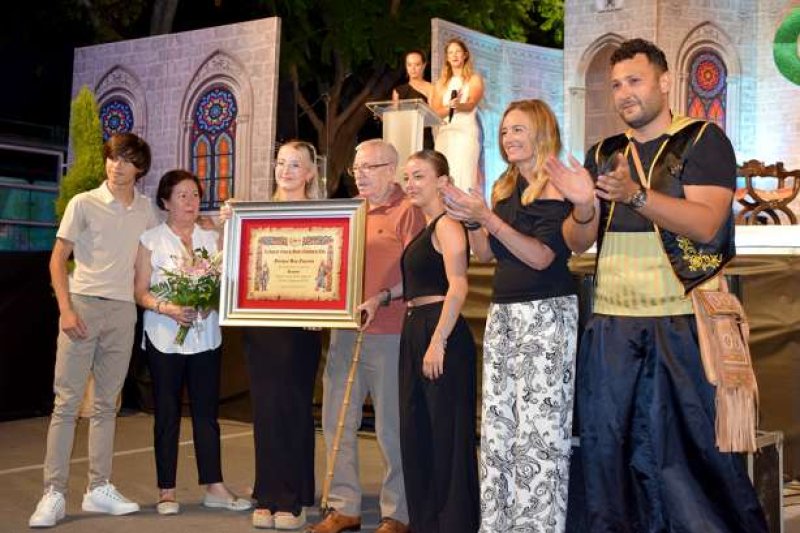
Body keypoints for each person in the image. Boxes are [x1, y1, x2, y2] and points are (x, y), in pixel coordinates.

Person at [544, 38, 768, 532]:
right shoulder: (603, 152)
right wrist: (583, 206)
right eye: (617, 83)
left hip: (681, 325)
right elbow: (577, 241)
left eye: (635, 81)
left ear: (665, 82)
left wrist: (637, 196)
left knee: (691, 463)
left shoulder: (703, 139)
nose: (624, 93)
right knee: (610, 456)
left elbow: (707, 224)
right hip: (611, 330)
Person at [443, 100, 578, 533]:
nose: (509, 139)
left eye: (518, 129)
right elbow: (485, 255)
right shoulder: (504, 188)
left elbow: (541, 258)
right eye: (504, 132)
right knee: (501, 429)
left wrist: (487, 218)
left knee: (539, 436)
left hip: (546, 316)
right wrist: (470, 218)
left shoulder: (556, 189)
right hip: (504, 316)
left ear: (542, 131)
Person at [29, 133, 157, 528]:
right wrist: (66, 309)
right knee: (66, 405)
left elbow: (161, 248)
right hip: (81, 307)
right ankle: (53, 493)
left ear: (140, 168)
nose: (116, 165)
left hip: (123, 313)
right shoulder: (83, 203)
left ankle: (98, 488)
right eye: (113, 157)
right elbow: (57, 261)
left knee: (106, 405)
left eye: (126, 159)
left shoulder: (147, 210)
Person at [309, 139, 425, 533]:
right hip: (344, 333)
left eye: (369, 167)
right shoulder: (348, 212)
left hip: (391, 334)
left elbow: (421, 274)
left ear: (391, 170)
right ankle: (344, 507)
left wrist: (382, 297)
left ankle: (397, 513)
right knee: (336, 422)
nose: (359, 174)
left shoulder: (409, 212)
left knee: (390, 427)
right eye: (356, 168)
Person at [132, 169, 250, 516]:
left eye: (195, 195)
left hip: (206, 336)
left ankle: (214, 485)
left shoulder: (210, 237)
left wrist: (209, 300)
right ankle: (166, 490)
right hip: (163, 337)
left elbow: (227, 279)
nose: (190, 201)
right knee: (166, 414)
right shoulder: (150, 239)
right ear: (165, 202)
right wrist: (167, 308)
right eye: (181, 195)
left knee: (206, 414)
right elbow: (139, 291)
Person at [241, 141, 324, 530]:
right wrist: (232, 227)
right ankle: (266, 493)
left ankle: (293, 497)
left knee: (292, 407)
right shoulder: (256, 215)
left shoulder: (326, 215)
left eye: (295, 164)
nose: (286, 170)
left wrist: (324, 310)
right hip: (262, 322)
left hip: (302, 324)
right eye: (280, 163)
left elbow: (332, 270)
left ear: (310, 173)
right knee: (265, 409)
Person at [398, 150, 479, 532]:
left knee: (446, 434)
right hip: (417, 327)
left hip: (438, 331)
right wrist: (381, 298)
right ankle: (428, 522)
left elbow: (458, 285)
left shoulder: (448, 225)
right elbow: (419, 282)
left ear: (442, 182)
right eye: (407, 177)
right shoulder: (426, 226)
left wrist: (438, 341)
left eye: (419, 176)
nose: (410, 184)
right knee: (420, 431)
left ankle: (453, 523)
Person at [431, 38, 484, 192]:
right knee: (443, 173)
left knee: (463, 175)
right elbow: (436, 112)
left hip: (465, 133)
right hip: (446, 134)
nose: (454, 56)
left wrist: (459, 105)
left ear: (465, 55)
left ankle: (464, 213)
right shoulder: (441, 83)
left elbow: (471, 103)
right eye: (450, 53)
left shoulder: (474, 79)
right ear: (447, 58)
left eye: (458, 52)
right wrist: (451, 106)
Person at [392, 49, 435, 149]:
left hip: (424, 137)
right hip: (403, 136)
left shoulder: (431, 88)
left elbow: (433, 115)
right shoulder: (398, 90)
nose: (413, 68)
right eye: (409, 65)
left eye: (417, 64)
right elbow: (395, 116)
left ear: (424, 65)